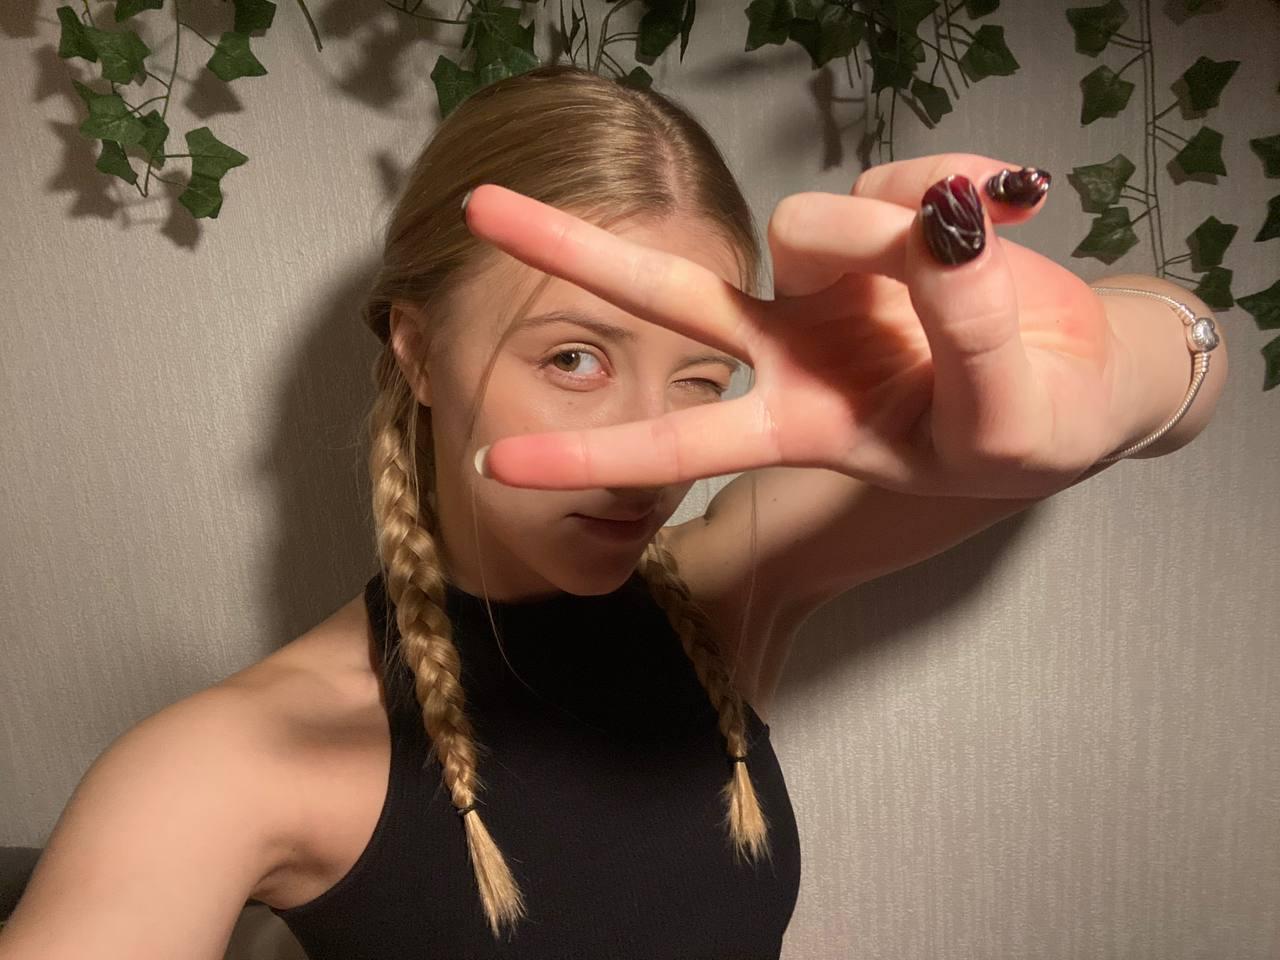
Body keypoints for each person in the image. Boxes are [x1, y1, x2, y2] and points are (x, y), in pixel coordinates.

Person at [0, 63, 1226, 960]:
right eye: (575, 358)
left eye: (699, 377)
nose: (646, 461)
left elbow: (1168, 383)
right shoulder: (223, 768)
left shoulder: (727, 586)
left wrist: (1096, 371)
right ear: (417, 351)